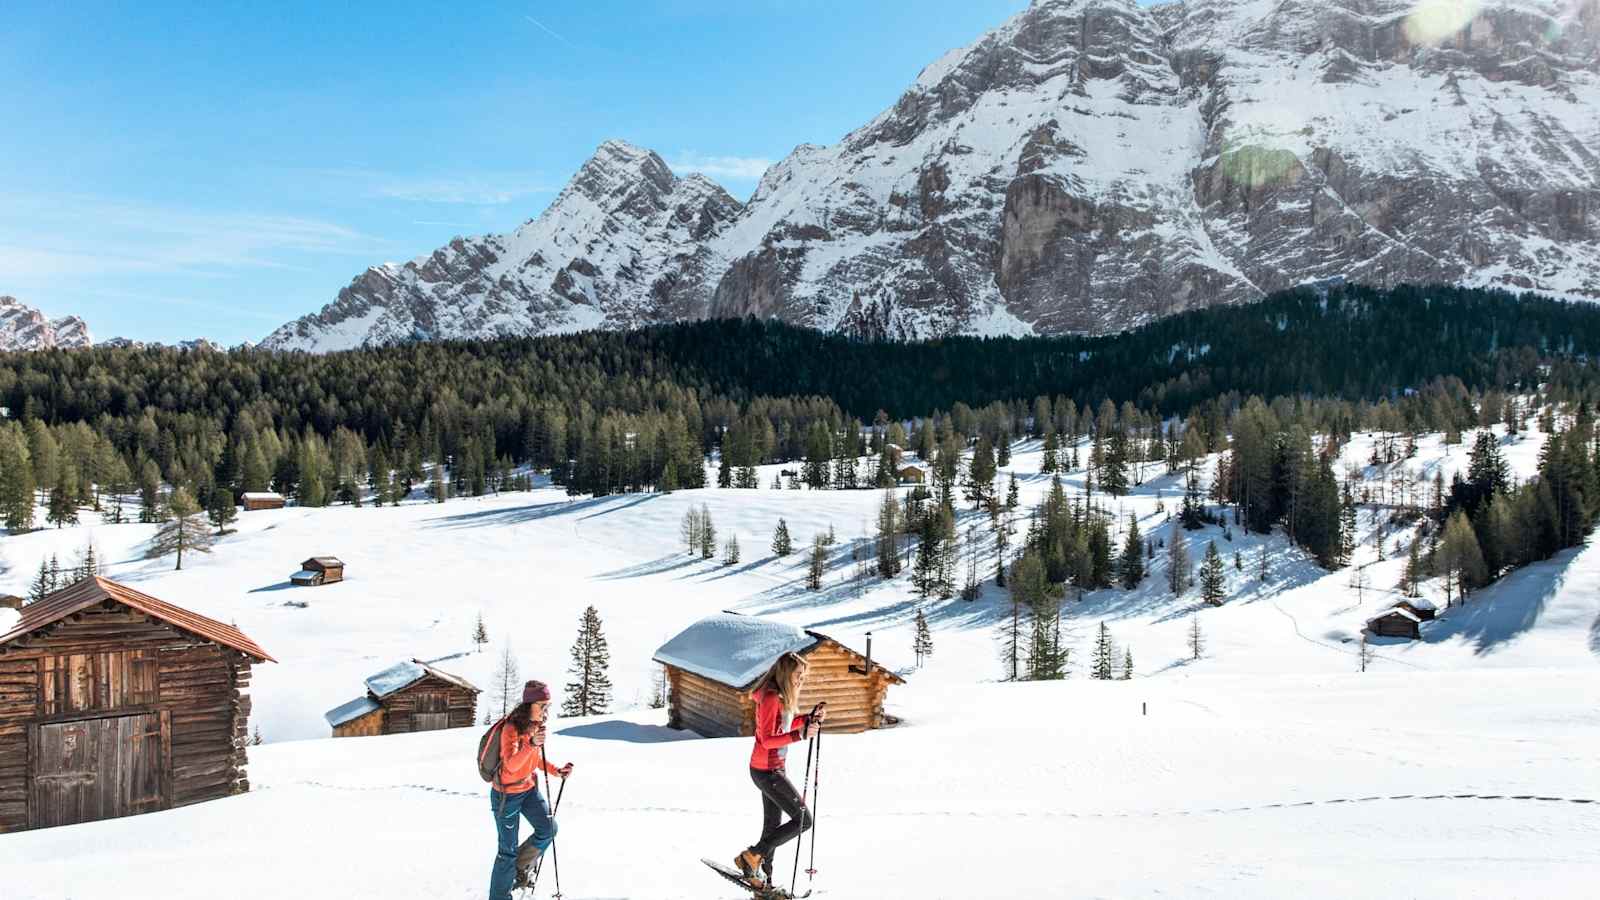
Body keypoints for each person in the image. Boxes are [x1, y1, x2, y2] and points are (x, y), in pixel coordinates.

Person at [733, 652, 826, 887]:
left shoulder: (780, 696)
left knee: (772, 826)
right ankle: (753, 856)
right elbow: (767, 740)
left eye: (803, 676)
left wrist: (807, 719)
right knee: (803, 819)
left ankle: (761, 879)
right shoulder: (771, 697)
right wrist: (800, 735)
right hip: (766, 771)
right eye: (798, 675)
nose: (801, 680)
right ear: (786, 672)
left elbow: (785, 724)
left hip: (773, 769)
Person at [489, 680, 574, 900]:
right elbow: (511, 765)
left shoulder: (534, 727)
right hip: (506, 795)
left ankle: (519, 867)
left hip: (527, 790)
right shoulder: (511, 728)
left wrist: (557, 771)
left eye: (548, 706)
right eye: (542, 705)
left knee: (548, 829)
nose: (546, 711)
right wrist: (532, 744)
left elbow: (534, 760)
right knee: (506, 852)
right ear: (529, 705)